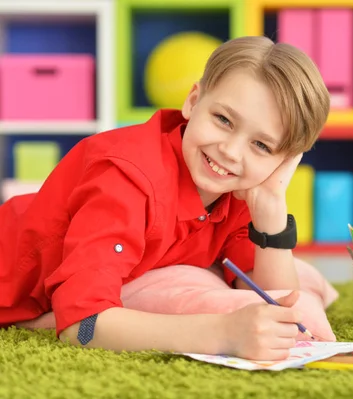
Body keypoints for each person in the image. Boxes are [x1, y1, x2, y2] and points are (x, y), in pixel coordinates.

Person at [0, 35, 330, 360]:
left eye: (262, 145)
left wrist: (272, 209)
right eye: (224, 120)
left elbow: (281, 303)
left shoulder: (240, 190)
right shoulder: (127, 179)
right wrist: (224, 333)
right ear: (193, 101)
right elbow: (82, 326)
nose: (230, 152)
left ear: (285, 161)